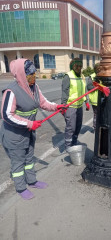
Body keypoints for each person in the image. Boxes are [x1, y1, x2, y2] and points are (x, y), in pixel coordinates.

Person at [0, 58, 65, 200]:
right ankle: (21, 187)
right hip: (14, 135)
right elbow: (6, 115)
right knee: (18, 162)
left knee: (29, 158)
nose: (33, 77)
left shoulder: (34, 87)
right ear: (22, 75)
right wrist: (29, 124)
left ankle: (32, 181)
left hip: (29, 132)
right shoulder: (11, 91)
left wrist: (56, 107)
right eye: (30, 75)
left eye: (34, 74)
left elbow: (43, 102)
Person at [61, 58, 90, 149]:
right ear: (73, 66)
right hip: (70, 106)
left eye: (80, 66)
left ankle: (74, 142)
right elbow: (65, 92)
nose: (79, 68)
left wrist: (87, 101)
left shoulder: (82, 76)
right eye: (77, 66)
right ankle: (68, 146)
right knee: (71, 128)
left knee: (78, 127)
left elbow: (84, 89)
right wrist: (63, 105)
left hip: (79, 106)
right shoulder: (68, 76)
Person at [87, 63, 100, 131]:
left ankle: (100, 127)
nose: (99, 70)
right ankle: (96, 128)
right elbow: (89, 87)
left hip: (102, 99)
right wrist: (96, 86)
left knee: (102, 114)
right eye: (98, 69)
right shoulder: (92, 77)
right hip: (95, 100)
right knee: (96, 114)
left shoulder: (103, 75)